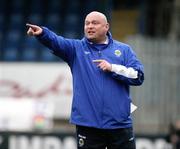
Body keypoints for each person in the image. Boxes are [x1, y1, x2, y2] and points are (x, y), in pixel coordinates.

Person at [26, 11, 144, 149]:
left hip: (119, 124)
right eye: (87, 23)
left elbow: (138, 76)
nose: (90, 26)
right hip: (88, 125)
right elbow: (57, 42)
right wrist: (42, 33)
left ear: (106, 27)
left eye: (95, 23)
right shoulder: (76, 49)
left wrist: (113, 68)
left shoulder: (124, 50)